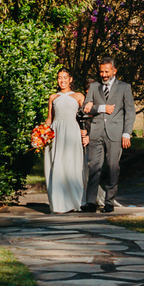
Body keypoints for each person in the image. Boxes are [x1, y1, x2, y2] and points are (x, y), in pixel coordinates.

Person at [81, 56, 135, 213]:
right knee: (93, 166)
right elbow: (85, 108)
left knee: (112, 167)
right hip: (96, 132)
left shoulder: (124, 87)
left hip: (115, 133)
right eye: (101, 72)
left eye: (106, 72)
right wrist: (101, 108)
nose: (103, 75)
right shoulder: (94, 87)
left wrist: (126, 133)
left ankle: (109, 202)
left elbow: (130, 112)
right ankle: (91, 202)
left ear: (114, 71)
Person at [43, 68, 88, 213]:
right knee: (58, 166)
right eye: (59, 78)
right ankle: (58, 204)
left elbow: (87, 116)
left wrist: (86, 132)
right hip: (56, 132)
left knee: (71, 165)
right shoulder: (53, 97)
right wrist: (43, 134)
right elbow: (49, 118)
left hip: (71, 132)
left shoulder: (78, 96)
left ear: (70, 79)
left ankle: (74, 202)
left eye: (64, 77)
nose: (62, 80)